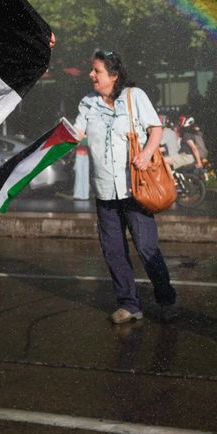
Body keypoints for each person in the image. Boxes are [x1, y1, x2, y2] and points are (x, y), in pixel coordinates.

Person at [75, 50, 179, 325]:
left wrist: (145, 154)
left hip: (135, 187)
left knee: (146, 247)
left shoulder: (134, 97)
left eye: (96, 71)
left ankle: (166, 297)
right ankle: (129, 304)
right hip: (105, 191)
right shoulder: (88, 103)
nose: (91, 75)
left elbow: (155, 128)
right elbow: (76, 134)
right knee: (113, 251)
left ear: (113, 75)